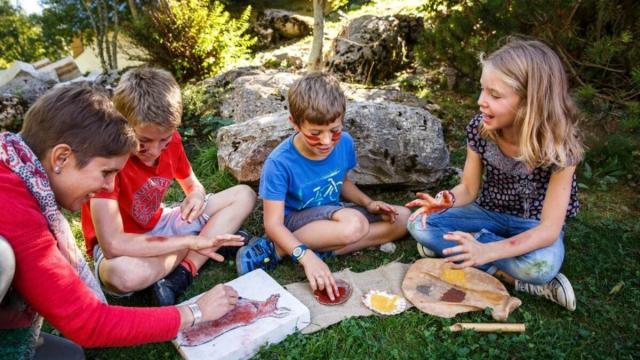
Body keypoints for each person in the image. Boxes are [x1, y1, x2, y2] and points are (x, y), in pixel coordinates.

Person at [0, 84, 241, 358]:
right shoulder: (12, 206)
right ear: (62, 157)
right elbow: (88, 323)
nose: (108, 186)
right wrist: (194, 312)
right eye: (106, 172)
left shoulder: (15, 172)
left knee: (69, 356)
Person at [406, 39, 584, 311]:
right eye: (482, 90)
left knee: (542, 267)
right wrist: (446, 200)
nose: (481, 102)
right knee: (419, 223)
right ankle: (501, 268)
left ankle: (484, 256)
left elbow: (549, 230)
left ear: (529, 103)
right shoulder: (480, 129)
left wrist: (486, 250)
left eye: (495, 95)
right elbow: (468, 188)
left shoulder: (561, 147)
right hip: (487, 210)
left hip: (533, 225)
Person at [81, 68, 256, 306]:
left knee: (243, 195)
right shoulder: (108, 161)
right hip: (125, 247)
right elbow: (113, 245)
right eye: (143, 142)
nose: (154, 151)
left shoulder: (171, 142)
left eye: (164, 140)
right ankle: (206, 244)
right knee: (122, 276)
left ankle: (184, 270)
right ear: (122, 126)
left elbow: (193, 186)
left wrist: (195, 196)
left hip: (162, 224)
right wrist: (189, 241)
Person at [236, 72, 410, 300]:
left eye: (334, 131)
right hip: (295, 222)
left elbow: (342, 182)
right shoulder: (279, 162)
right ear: (295, 124)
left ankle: (309, 249)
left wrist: (369, 203)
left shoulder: (345, 142)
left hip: (332, 217)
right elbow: (273, 224)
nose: (326, 141)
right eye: (315, 133)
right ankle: (276, 248)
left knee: (404, 218)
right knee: (354, 225)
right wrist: (307, 258)